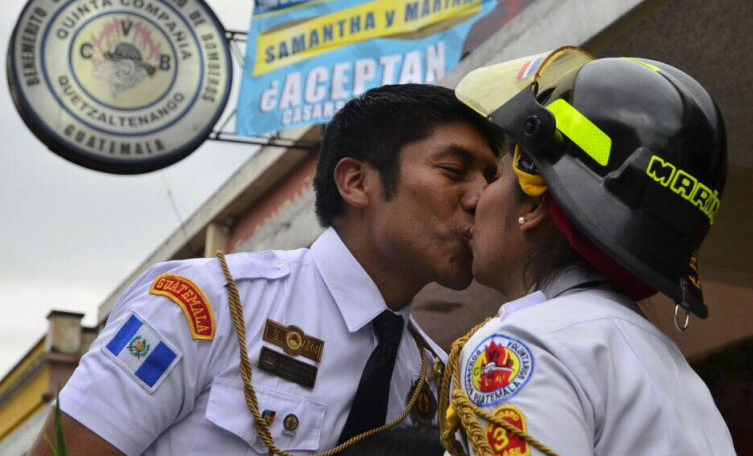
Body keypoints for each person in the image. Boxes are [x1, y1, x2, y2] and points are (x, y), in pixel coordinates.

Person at [29, 84, 500, 456]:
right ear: (357, 182)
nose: (481, 199)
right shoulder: (204, 304)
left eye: (490, 180)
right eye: (454, 171)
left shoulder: (440, 382)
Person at [439, 47, 736, 455]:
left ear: (535, 205)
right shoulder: (673, 371)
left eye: (495, 175)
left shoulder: (517, 349)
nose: (476, 199)